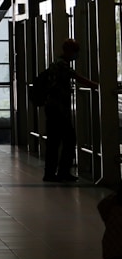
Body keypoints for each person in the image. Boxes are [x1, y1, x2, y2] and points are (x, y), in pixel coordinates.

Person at [42, 38, 98, 183]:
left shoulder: (56, 63)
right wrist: (96, 85)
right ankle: (62, 172)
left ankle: (51, 173)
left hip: (53, 108)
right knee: (68, 140)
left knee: (54, 141)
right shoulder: (62, 65)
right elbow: (77, 77)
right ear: (69, 51)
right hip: (59, 110)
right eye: (76, 52)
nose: (76, 55)